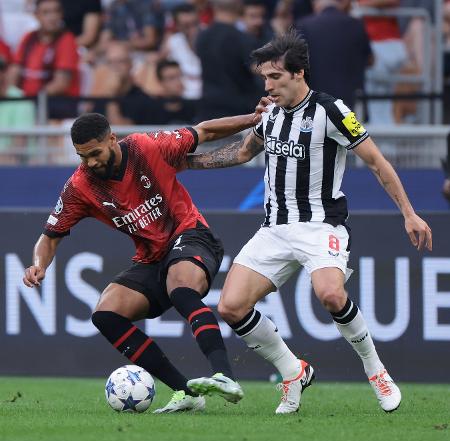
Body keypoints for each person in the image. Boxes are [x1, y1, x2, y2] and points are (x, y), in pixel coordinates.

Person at [185, 30, 432, 414]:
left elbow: (377, 162)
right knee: (231, 307)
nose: (267, 86)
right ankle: (292, 370)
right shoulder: (269, 113)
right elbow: (240, 152)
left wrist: (409, 213)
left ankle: (376, 370)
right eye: (264, 78)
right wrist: (186, 163)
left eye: (275, 77)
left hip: (320, 225)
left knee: (331, 294)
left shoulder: (332, 111)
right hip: (275, 227)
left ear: (299, 73)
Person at [22, 108, 265, 412]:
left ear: (112, 139)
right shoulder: (80, 186)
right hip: (153, 259)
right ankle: (186, 392)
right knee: (106, 313)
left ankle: (224, 375)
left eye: (95, 153)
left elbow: (204, 131)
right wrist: (39, 264)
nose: (91, 162)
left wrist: (253, 119)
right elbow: (50, 235)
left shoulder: (146, 147)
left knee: (180, 284)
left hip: (191, 235)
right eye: (83, 157)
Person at [9, 0, 80, 119]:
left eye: (56, 11)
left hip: (54, 104)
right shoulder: (29, 37)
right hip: (27, 101)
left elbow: (60, 84)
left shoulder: (67, 40)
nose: (52, 17)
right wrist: (11, 93)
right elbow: (14, 70)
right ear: (36, 15)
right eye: (46, 12)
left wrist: (30, 99)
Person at [296, 0, 372, 110]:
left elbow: (295, 63)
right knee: (350, 127)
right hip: (349, 107)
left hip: (317, 106)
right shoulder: (356, 24)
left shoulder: (304, 25)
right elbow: (370, 60)